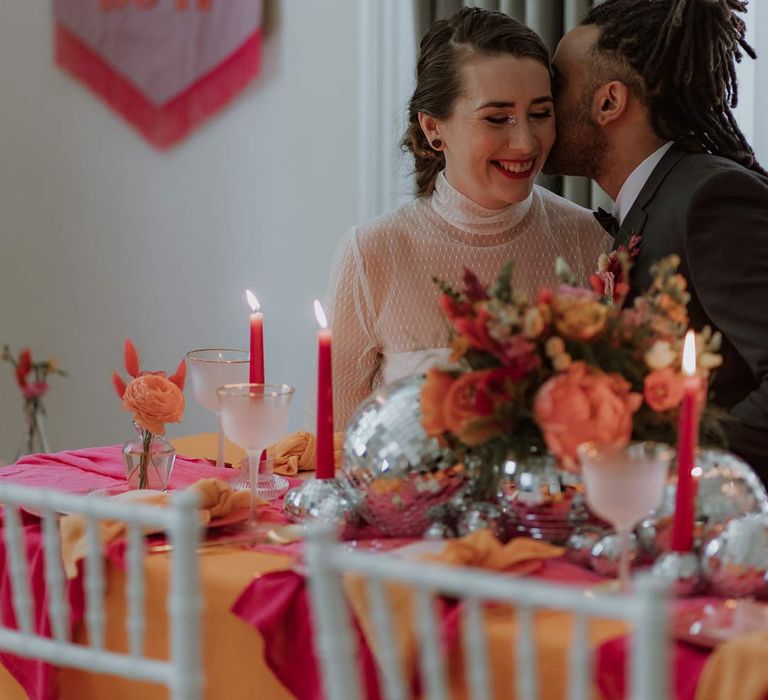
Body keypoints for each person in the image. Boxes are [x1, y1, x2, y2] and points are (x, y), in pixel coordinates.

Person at [326, 7, 608, 430]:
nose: (525, 141)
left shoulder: (590, 239)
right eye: (498, 118)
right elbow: (339, 444)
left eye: (540, 114)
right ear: (433, 128)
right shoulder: (372, 254)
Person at [544, 0, 768, 475]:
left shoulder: (709, 196)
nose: (542, 107)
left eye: (557, 86)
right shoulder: (647, 203)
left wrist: (679, 468)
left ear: (609, 102)